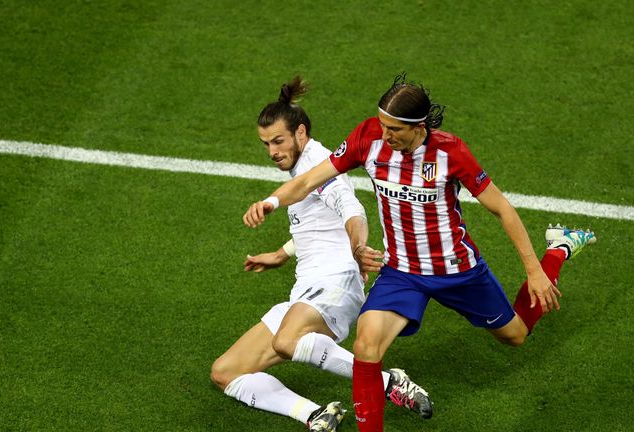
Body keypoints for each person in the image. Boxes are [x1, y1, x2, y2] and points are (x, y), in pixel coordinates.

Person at [242, 73, 597, 432]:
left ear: (418, 126)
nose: (385, 135)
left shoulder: (450, 152)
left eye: (394, 129)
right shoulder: (368, 139)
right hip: (402, 273)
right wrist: (272, 202)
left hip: (458, 271)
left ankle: (559, 248)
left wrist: (535, 269)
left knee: (516, 335)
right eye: (382, 125)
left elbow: (501, 208)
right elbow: (305, 181)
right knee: (367, 344)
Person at [213, 76, 433, 432]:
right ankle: (316, 415)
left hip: (335, 282)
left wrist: (359, 247)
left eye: (279, 141)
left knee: (286, 341)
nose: (272, 152)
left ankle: (388, 382)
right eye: (266, 143)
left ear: (301, 133)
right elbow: (316, 223)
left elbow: (350, 209)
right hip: (308, 289)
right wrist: (283, 252)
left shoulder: (318, 163)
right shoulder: (300, 167)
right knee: (226, 371)